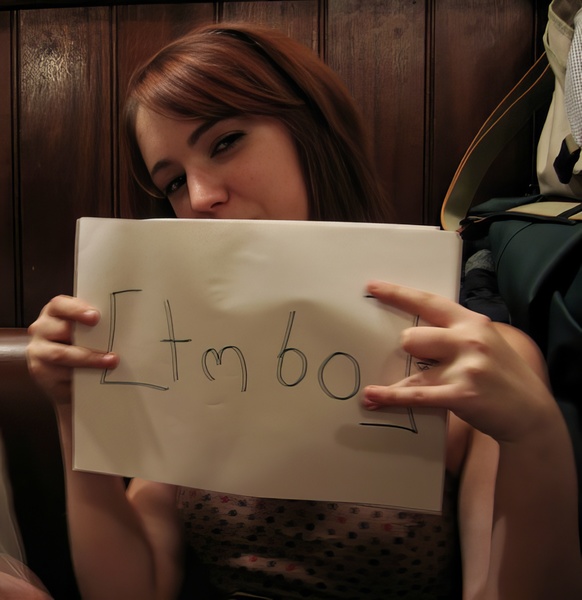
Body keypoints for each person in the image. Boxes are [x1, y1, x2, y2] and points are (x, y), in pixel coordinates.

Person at [26, 22, 581, 600]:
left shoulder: (465, 357)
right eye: (172, 182)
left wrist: (534, 436)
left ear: (310, 132)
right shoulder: (190, 350)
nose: (198, 197)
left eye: (224, 142)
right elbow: (131, 590)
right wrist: (77, 412)